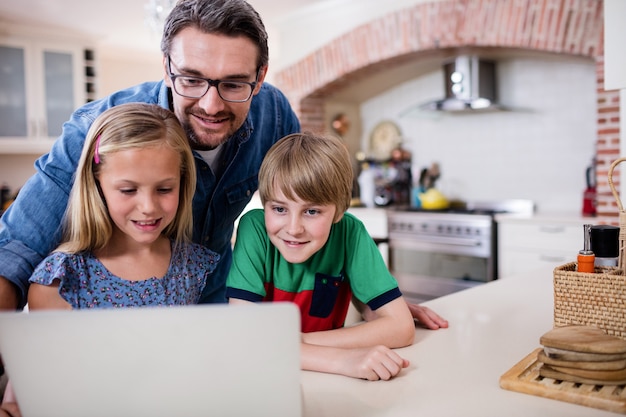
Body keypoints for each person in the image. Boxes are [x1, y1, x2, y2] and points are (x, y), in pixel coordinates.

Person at [0, 0, 445, 320]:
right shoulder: (100, 130)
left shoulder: (273, 114)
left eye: (234, 84)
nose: (212, 104)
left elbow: (311, 209)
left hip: (220, 300)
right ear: (167, 66)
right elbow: (14, 250)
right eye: (191, 79)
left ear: (260, 76)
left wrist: (376, 298)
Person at [0, 102, 220, 416]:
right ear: (98, 184)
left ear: (183, 183)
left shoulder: (195, 266)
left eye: (164, 189)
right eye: (128, 190)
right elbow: (38, 379)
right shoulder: (61, 279)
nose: (148, 206)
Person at [226, 132, 416, 381]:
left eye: (312, 211)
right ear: (265, 204)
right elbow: (245, 340)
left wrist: (300, 342)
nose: (293, 228)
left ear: (339, 211)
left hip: (327, 380)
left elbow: (401, 327)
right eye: (280, 209)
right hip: (266, 378)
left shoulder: (349, 232)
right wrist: (343, 360)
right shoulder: (254, 229)